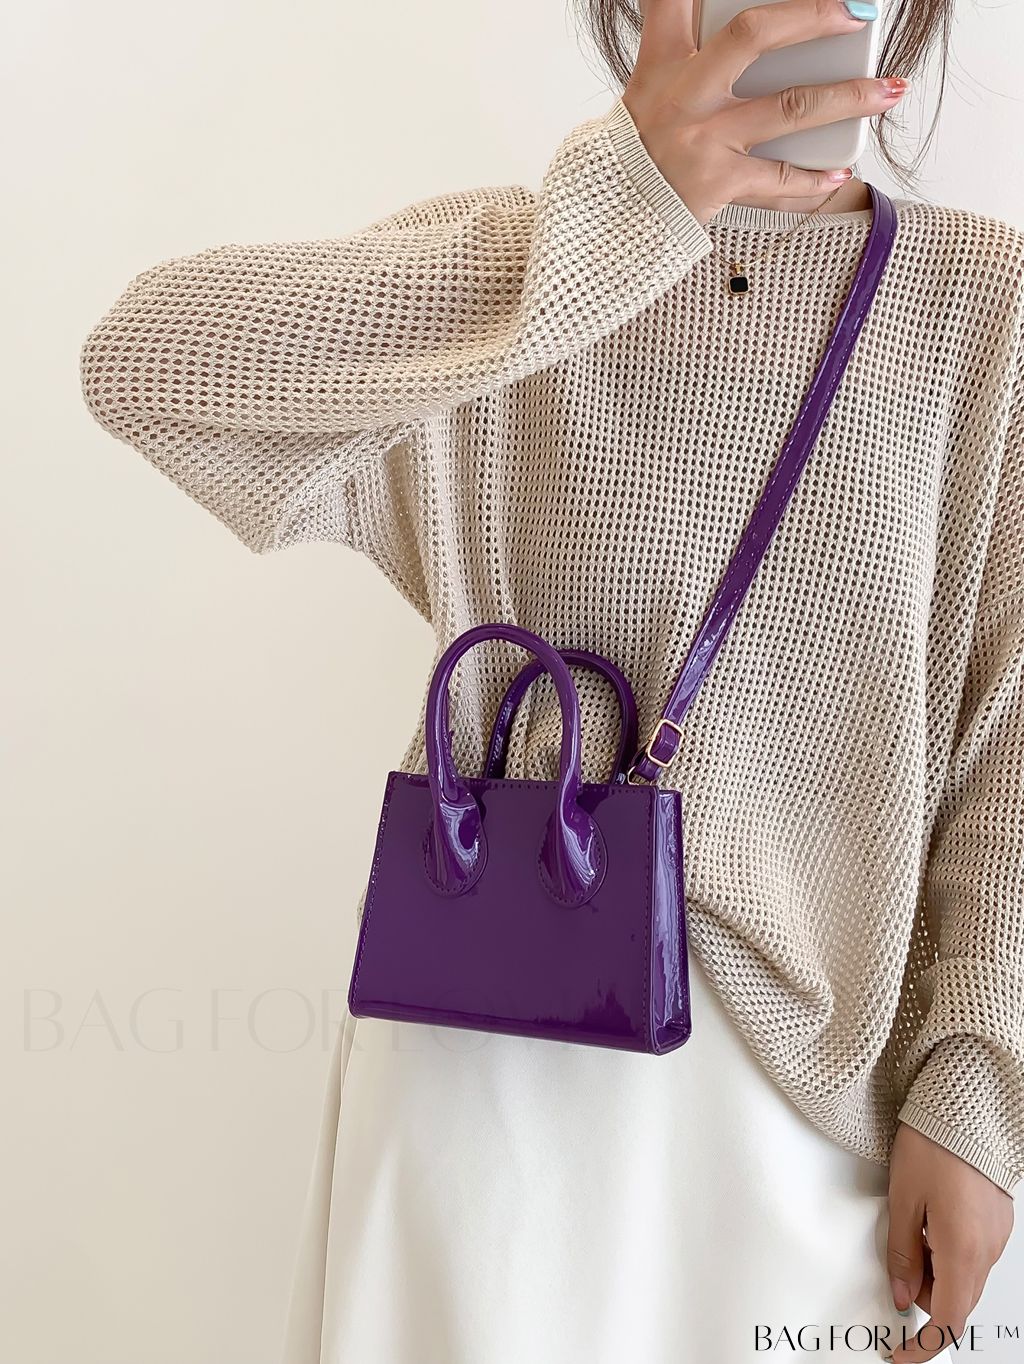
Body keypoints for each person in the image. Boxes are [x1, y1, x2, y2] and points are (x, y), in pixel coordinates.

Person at [79, 0, 1022, 1359]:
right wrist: (618, 218)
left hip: (814, 1102)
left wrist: (979, 1092)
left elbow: (1012, 734)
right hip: (489, 1071)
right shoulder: (527, 269)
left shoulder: (984, 304)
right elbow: (145, 365)